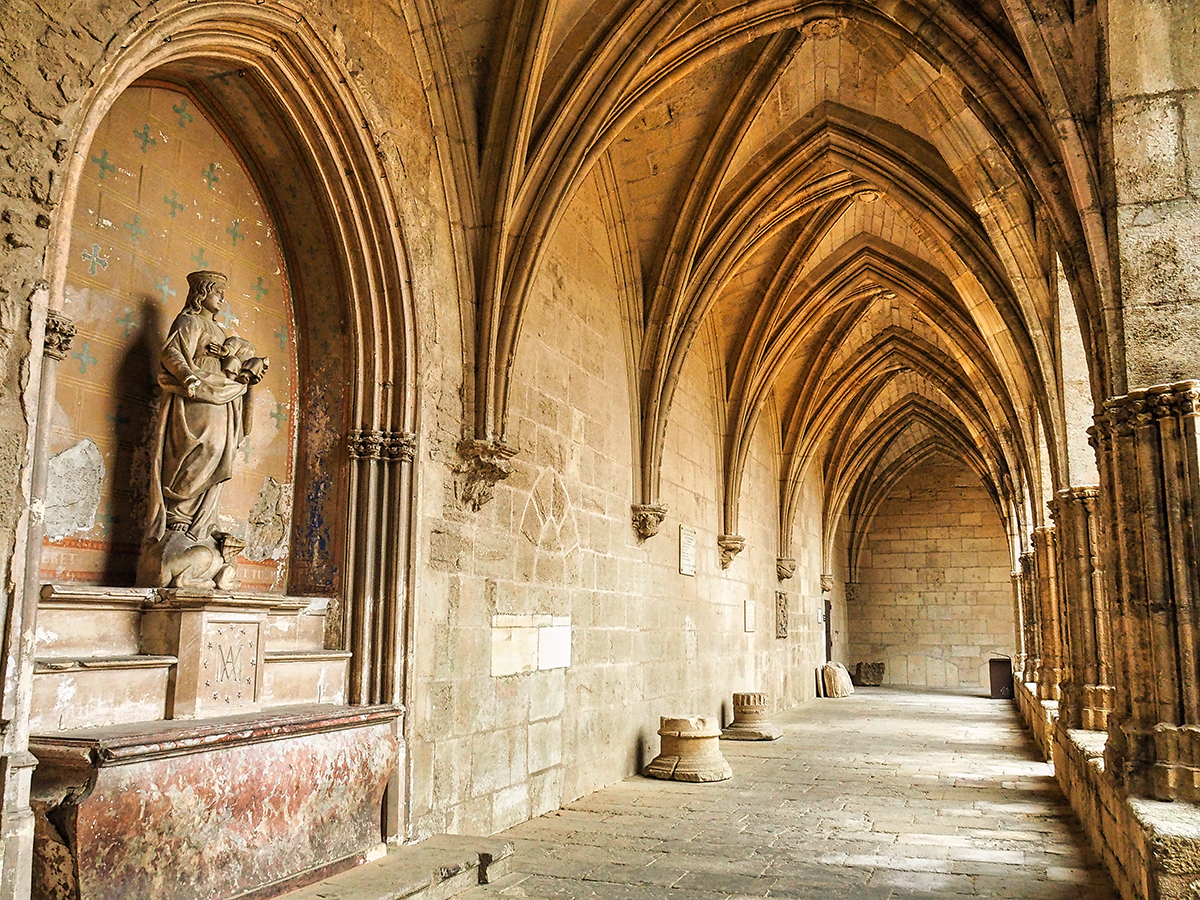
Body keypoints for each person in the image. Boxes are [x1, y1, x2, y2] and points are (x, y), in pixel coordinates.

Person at [145, 270, 267, 546]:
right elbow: (171, 351)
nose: (222, 299)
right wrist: (188, 375)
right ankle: (178, 516)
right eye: (216, 293)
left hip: (222, 393)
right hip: (197, 393)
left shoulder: (220, 331)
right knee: (199, 448)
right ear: (201, 294)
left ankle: (201, 522)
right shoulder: (188, 320)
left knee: (220, 449)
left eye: (223, 294)